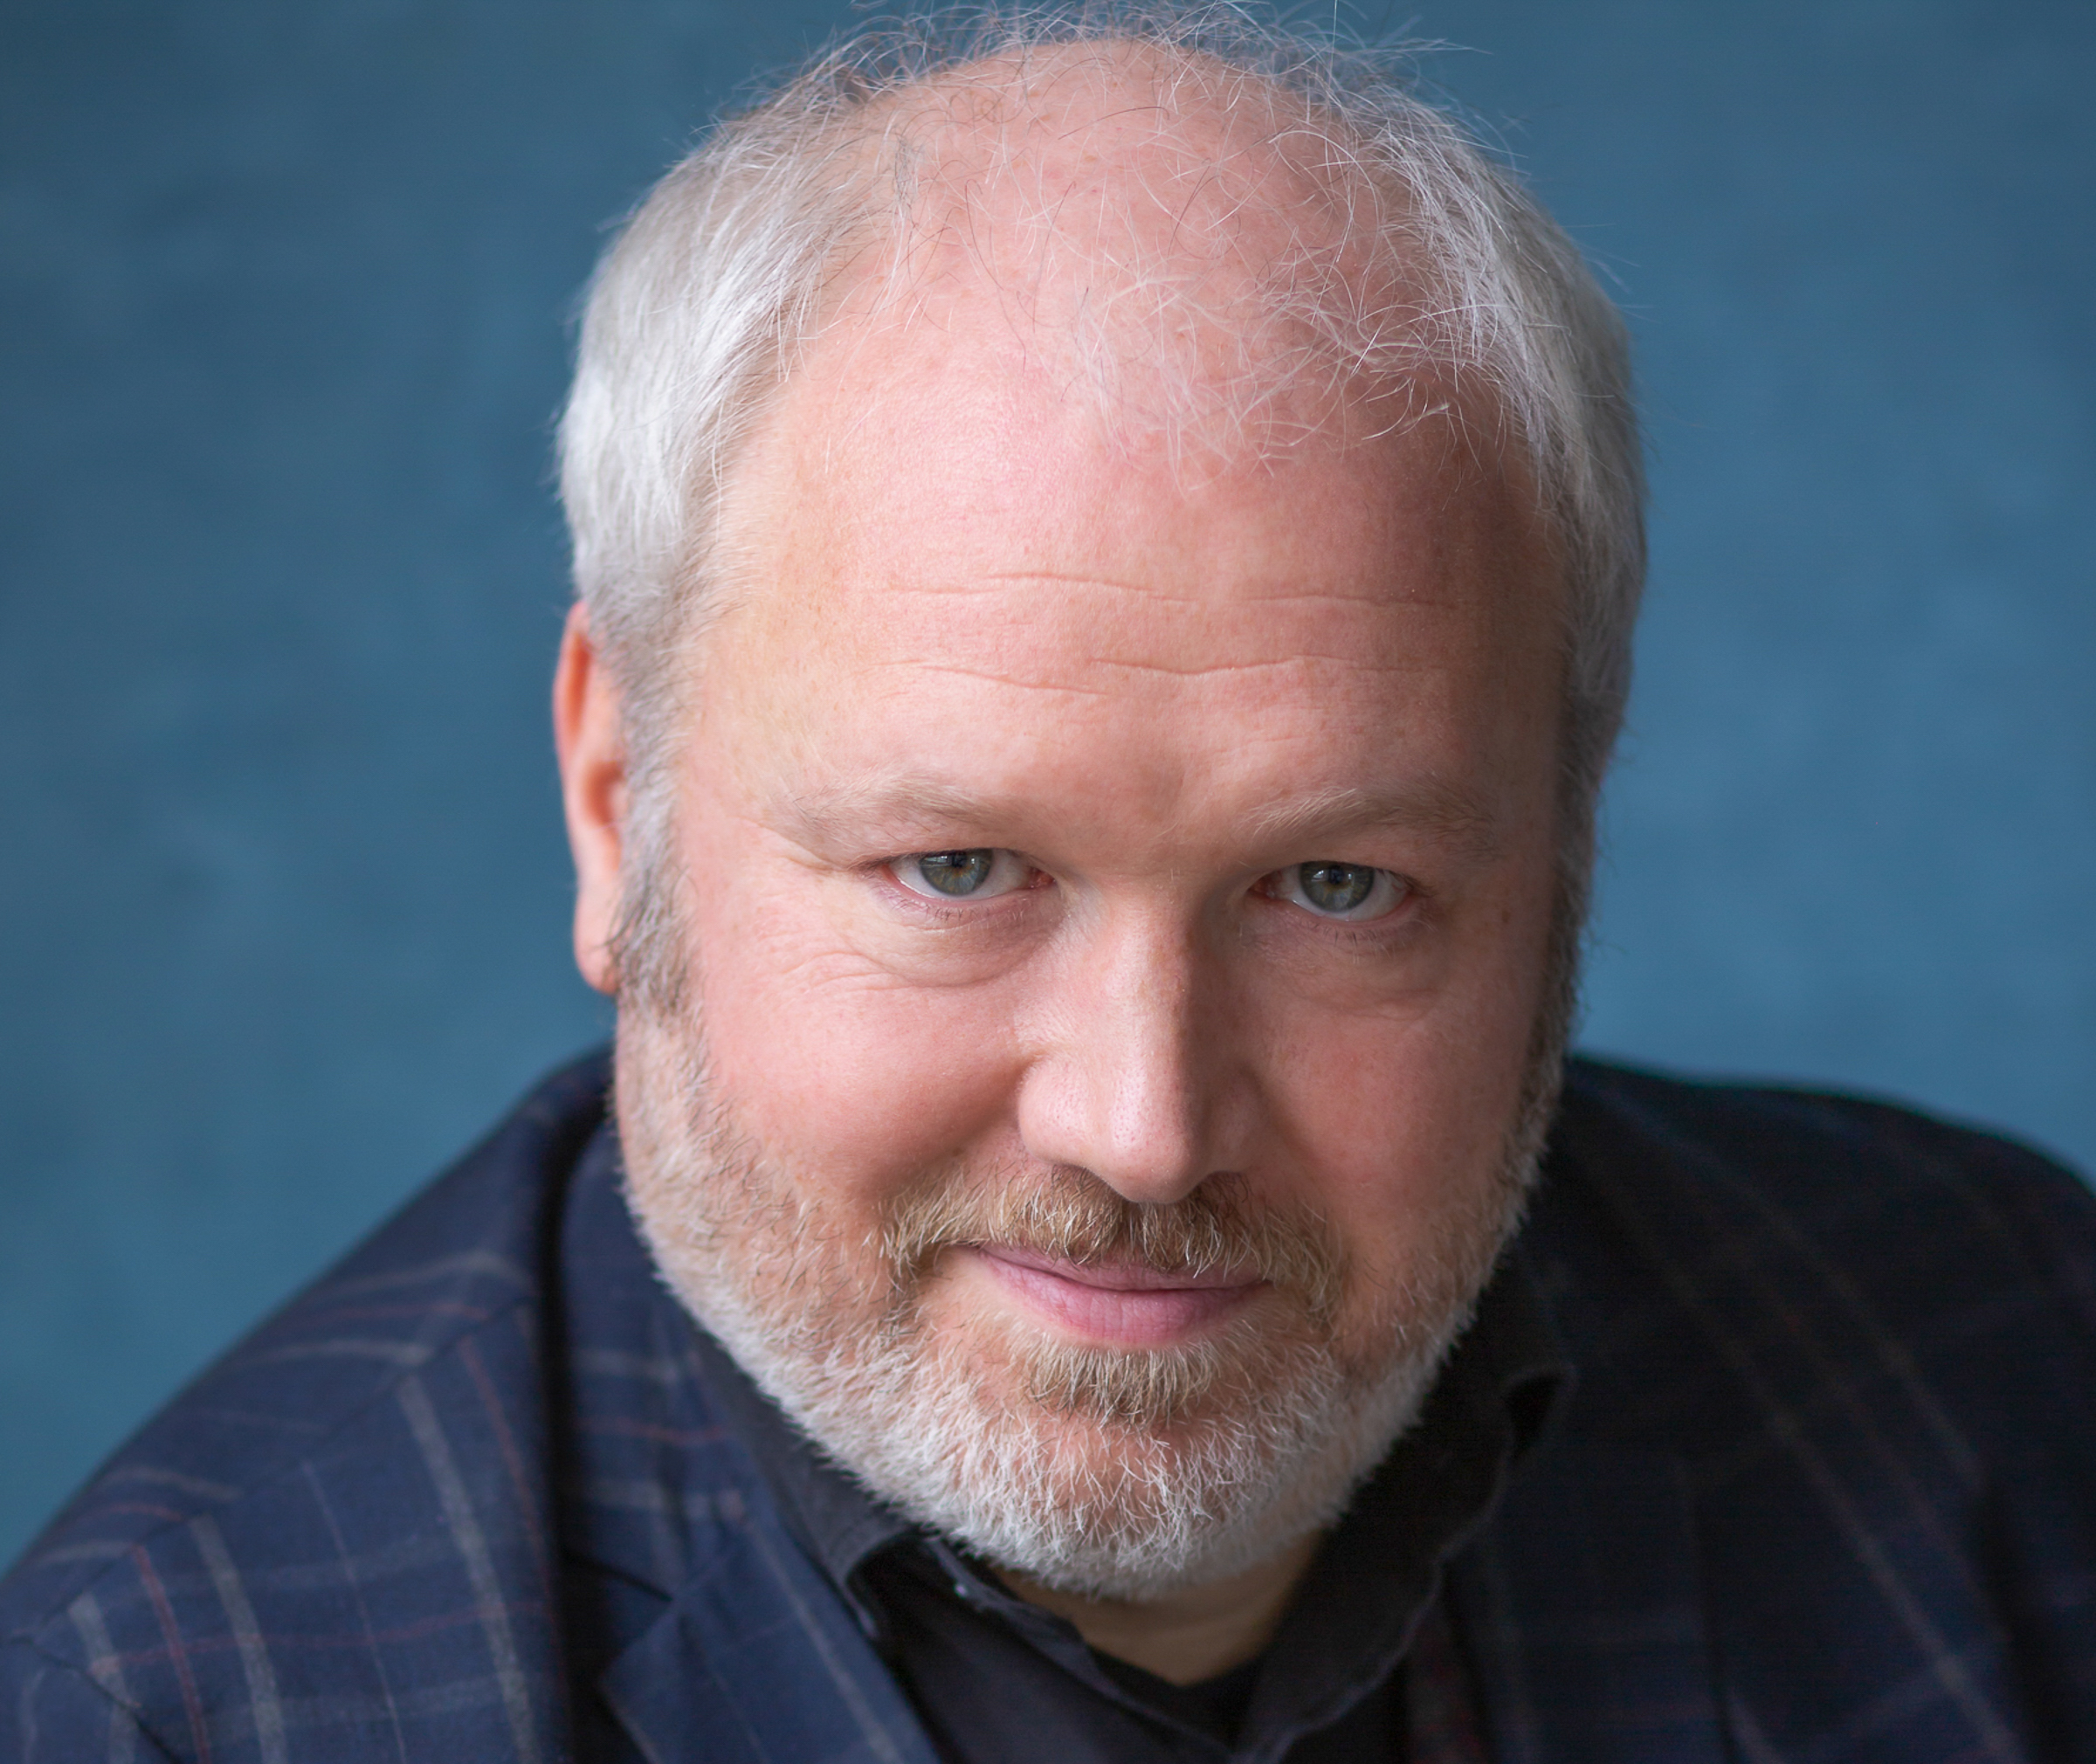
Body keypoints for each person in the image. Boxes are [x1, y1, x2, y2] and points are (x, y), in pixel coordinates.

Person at [4, 12, 2093, 1762]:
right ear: (615, 797)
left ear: (1566, 840)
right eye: (960, 867)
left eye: (1336, 882)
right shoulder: (177, 1707)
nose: (1144, 1123)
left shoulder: (2011, 1376)